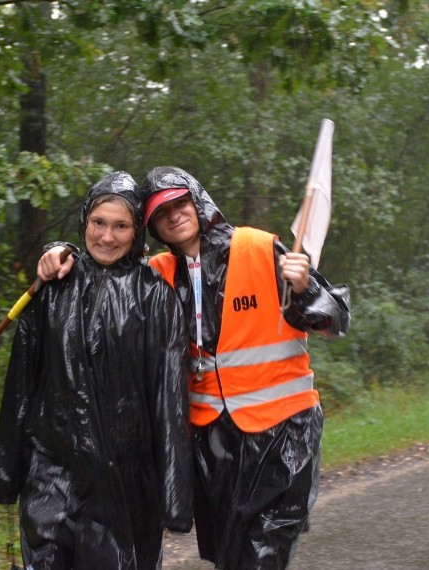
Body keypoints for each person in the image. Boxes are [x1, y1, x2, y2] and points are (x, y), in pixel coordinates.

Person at [41, 166, 350, 569]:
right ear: (151, 227)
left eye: (179, 203)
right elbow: (104, 262)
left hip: (283, 436)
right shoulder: (157, 275)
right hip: (211, 444)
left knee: (262, 556)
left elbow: (334, 319)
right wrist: (59, 250)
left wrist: (304, 287)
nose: (174, 216)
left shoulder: (259, 248)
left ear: (198, 200)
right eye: (160, 214)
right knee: (228, 556)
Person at [0, 171, 193, 570]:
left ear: (137, 232)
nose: (107, 237)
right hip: (50, 473)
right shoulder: (51, 287)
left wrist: (174, 495)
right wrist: (6, 471)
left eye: (121, 226)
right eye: (98, 223)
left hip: (124, 485)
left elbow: (169, 401)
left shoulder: (154, 296)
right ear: (84, 221)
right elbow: (20, 385)